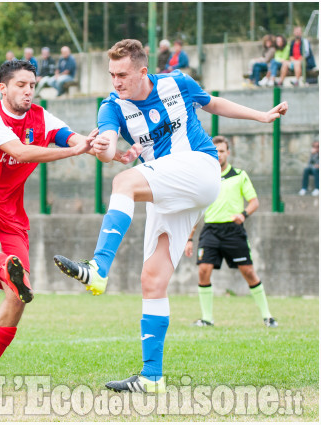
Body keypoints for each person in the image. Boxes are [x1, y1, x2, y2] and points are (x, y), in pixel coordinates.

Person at [53, 39, 287, 393]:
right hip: (170, 190)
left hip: (200, 167)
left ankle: (99, 266)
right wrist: (103, 149)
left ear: (143, 71)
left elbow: (213, 103)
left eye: (123, 75)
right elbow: (110, 145)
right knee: (152, 279)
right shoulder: (111, 106)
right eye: (112, 74)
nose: (116, 82)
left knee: (124, 182)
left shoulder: (176, 83)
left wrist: (261, 115)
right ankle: (152, 377)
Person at [0, 60, 97, 395]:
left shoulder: (42, 117)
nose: (28, 91)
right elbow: (20, 152)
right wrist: (73, 151)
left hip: (11, 213)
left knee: (18, 297)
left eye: (32, 85)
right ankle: (6, 266)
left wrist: (104, 148)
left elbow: (77, 139)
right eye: (20, 85)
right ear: (3, 87)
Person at [184, 136, 278, 328]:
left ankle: (267, 317)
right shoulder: (205, 178)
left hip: (233, 231)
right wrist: (189, 238)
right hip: (211, 230)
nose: (218, 154)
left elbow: (254, 202)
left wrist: (243, 214)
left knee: (249, 272)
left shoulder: (240, 175)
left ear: (228, 153)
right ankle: (207, 319)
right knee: (203, 270)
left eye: (221, 151)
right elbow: (196, 210)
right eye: (215, 151)